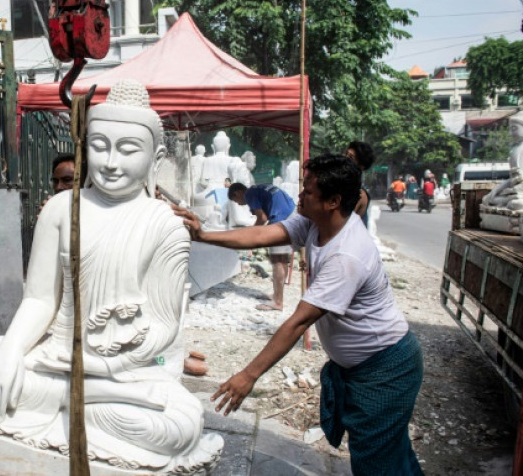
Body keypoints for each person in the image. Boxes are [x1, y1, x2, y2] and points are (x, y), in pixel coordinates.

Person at [0, 80, 223, 472]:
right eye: (100, 146)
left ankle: (76, 398)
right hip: (55, 359)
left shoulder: (164, 226)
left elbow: (164, 327)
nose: (111, 162)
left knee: (175, 427)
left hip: (121, 372)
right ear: (85, 148)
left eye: (128, 149)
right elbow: (38, 300)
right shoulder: (59, 209)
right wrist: (10, 353)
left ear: (154, 157)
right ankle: (70, 397)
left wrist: (104, 363)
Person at [174, 154, 424, 475]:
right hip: (367, 365)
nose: (299, 196)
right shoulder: (314, 222)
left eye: (307, 191)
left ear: (333, 201)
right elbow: (264, 234)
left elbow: (299, 321)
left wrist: (248, 376)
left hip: (385, 368)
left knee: (377, 461)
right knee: (393, 454)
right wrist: (203, 235)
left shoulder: (346, 255)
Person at [228, 183, 296, 311]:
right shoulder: (258, 188)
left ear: (237, 193)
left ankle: (277, 302)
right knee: (282, 260)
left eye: (236, 201)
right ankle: (277, 295)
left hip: (281, 218)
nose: (239, 204)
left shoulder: (249, 194)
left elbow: (262, 218)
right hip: (291, 213)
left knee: (277, 261)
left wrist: (250, 235)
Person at [344, 141, 375, 227]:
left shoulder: (359, 195)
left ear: (361, 166)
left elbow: (340, 224)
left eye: (350, 157)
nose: (344, 158)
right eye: (346, 154)